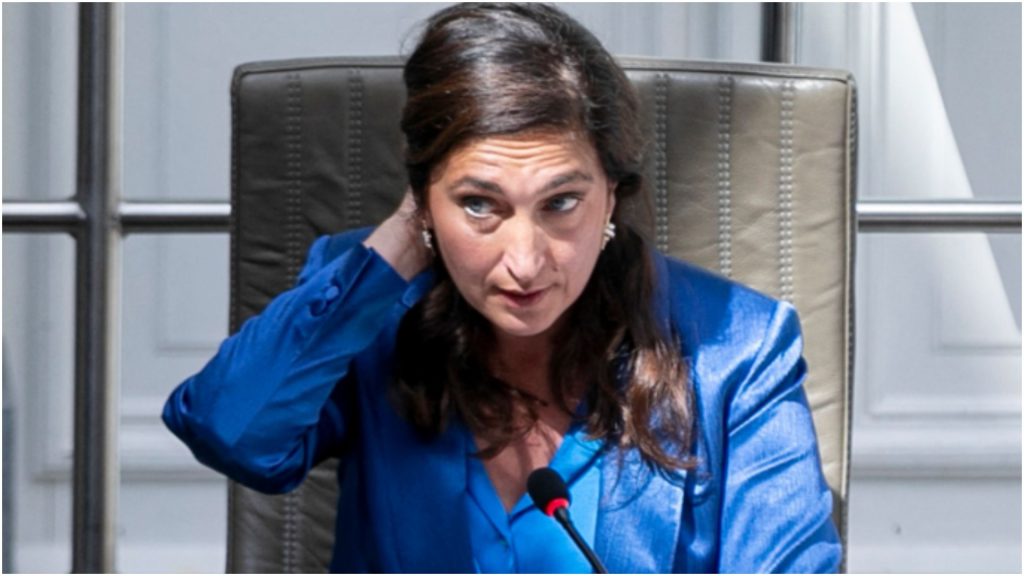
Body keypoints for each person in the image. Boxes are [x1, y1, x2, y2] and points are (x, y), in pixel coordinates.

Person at [163, 3, 842, 573]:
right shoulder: (368, 309)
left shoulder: (740, 346)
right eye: (479, 205)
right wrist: (402, 243)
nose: (524, 262)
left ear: (612, 194)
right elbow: (231, 434)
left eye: (561, 203)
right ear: (422, 199)